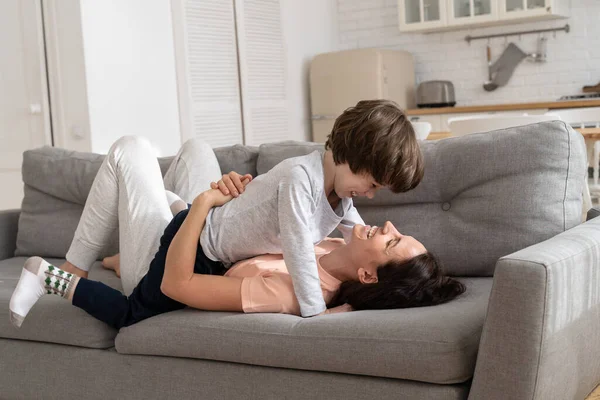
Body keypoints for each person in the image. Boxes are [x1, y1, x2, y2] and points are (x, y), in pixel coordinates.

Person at [12, 99, 425, 322]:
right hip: (199, 243)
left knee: (196, 149)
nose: (371, 197)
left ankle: (135, 246)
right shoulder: (303, 180)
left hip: (211, 225)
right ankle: (70, 268)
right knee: (131, 149)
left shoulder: (343, 197)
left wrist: (363, 297)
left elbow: (360, 232)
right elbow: (300, 252)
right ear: (354, 155)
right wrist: (320, 314)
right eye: (372, 183)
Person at [9, 163, 464, 326]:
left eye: (392, 240)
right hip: (205, 227)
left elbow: (179, 284)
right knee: (195, 149)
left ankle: (58, 272)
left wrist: (204, 205)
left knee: (129, 150)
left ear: (367, 275)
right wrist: (233, 190)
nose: (385, 224)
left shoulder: (291, 288)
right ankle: (122, 253)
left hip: (191, 241)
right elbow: (343, 201)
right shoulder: (329, 238)